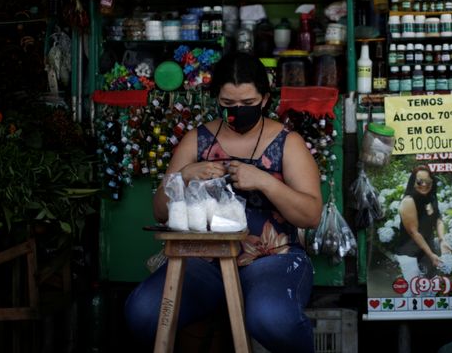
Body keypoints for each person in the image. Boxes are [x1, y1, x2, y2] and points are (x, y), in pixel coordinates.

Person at [125, 52, 323, 353]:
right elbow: (160, 211)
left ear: (265, 99)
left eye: (247, 104)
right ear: (216, 99)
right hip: (202, 263)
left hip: (270, 259)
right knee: (142, 313)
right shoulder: (196, 141)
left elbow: (311, 216)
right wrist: (185, 177)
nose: (238, 112)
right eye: (229, 105)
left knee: (272, 319)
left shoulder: (287, 143)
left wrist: (265, 181)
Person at [394, 165, 452, 291]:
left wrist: (442, 240)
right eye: (420, 181)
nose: (424, 185)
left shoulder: (430, 197)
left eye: (428, 181)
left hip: (427, 251)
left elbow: (438, 219)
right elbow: (414, 233)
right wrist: (431, 255)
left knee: (430, 290)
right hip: (410, 254)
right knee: (413, 291)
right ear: (413, 181)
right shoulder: (408, 201)